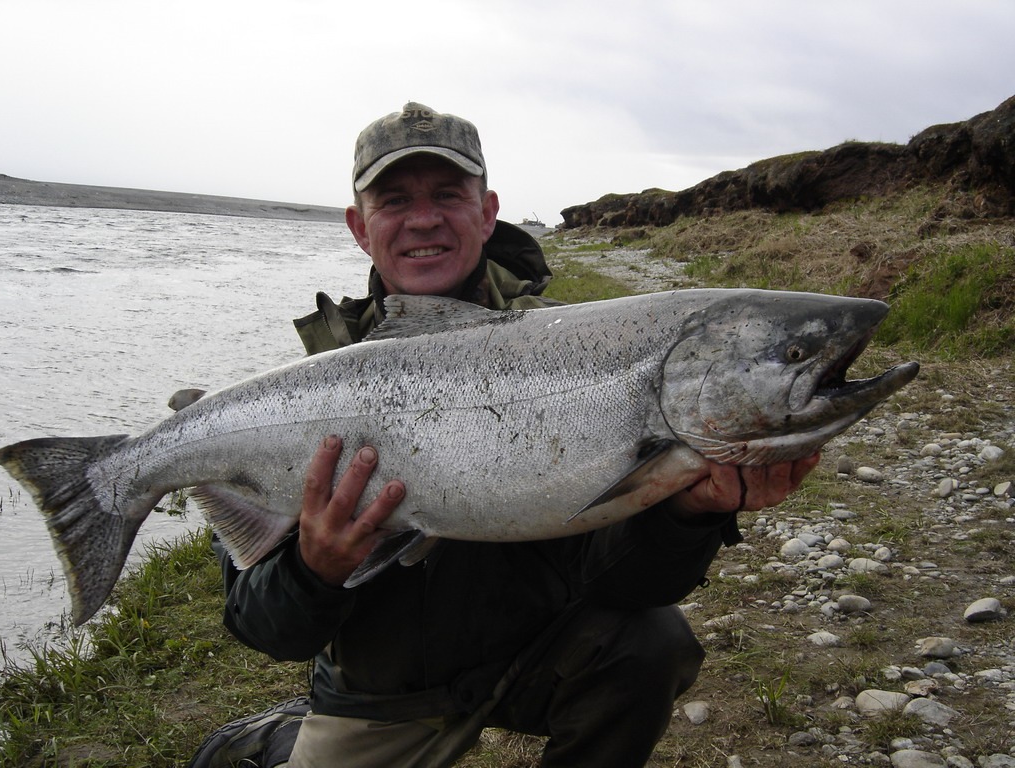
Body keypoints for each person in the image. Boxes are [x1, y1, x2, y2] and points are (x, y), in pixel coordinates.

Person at [188, 103, 819, 768]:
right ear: (358, 227)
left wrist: (690, 514)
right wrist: (314, 572)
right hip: (380, 698)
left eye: (448, 196)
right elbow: (264, 628)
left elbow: (622, 582)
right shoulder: (290, 403)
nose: (424, 218)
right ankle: (271, 740)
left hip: (530, 657)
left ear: (487, 212)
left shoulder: (579, 356)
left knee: (649, 645)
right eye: (395, 199)